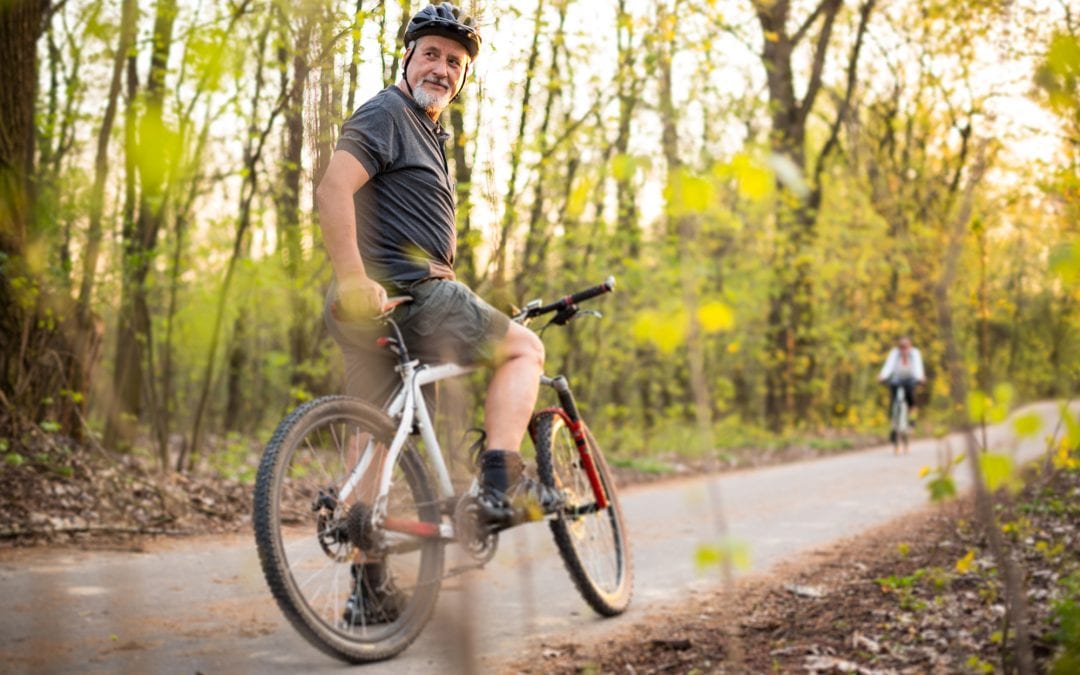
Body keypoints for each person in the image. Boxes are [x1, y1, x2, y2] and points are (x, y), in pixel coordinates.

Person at [315, 3, 558, 624]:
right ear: (408, 55)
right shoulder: (387, 113)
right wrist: (351, 279)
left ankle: (366, 593)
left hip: (382, 305)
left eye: (456, 62)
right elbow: (332, 187)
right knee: (525, 350)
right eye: (433, 54)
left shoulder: (425, 130)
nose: (444, 68)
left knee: (372, 435)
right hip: (407, 293)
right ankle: (502, 485)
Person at [877, 336, 926, 429]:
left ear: (910, 346)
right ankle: (894, 423)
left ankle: (912, 421)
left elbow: (918, 366)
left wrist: (920, 377)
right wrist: (882, 376)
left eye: (906, 347)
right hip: (897, 378)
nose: (904, 349)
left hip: (911, 378)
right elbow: (888, 366)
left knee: (911, 401)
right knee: (894, 399)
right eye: (901, 347)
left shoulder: (915, 353)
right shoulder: (895, 353)